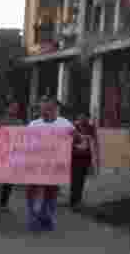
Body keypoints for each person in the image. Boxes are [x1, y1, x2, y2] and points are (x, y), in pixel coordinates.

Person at [26, 97, 75, 233]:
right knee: (33, 192)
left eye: (47, 108)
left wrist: (79, 141)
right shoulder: (33, 124)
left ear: (54, 109)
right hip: (35, 165)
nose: (43, 111)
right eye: (42, 108)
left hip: (55, 166)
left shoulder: (64, 123)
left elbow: (76, 138)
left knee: (51, 193)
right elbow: (23, 142)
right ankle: (33, 218)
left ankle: (47, 217)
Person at [70, 112, 100, 210]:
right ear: (78, 117)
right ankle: (74, 201)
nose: (82, 119)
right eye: (80, 117)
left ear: (87, 118)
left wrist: (94, 160)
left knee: (81, 179)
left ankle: (77, 199)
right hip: (75, 157)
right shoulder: (74, 127)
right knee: (75, 179)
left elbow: (94, 142)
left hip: (86, 157)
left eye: (85, 117)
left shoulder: (90, 128)